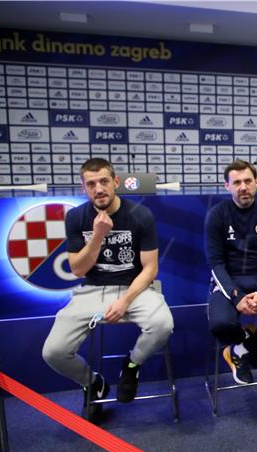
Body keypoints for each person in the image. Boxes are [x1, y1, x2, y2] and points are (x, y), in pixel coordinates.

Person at [42, 158, 174, 418]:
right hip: (91, 290)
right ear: (84, 188)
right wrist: (98, 236)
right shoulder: (76, 217)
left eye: (104, 181)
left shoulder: (140, 215)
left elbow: (150, 269)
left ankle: (132, 364)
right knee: (53, 352)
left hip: (135, 288)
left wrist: (124, 301)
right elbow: (78, 270)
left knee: (163, 324)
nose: (98, 188)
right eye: (91, 184)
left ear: (115, 182)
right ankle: (93, 383)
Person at [205, 160, 257, 384]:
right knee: (220, 325)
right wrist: (236, 296)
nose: (243, 186)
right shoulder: (217, 215)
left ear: (256, 183)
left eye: (247, 181)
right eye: (236, 182)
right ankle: (247, 338)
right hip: (230, 284)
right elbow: (215, 264)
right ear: (227, 186)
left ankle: (241, 350)